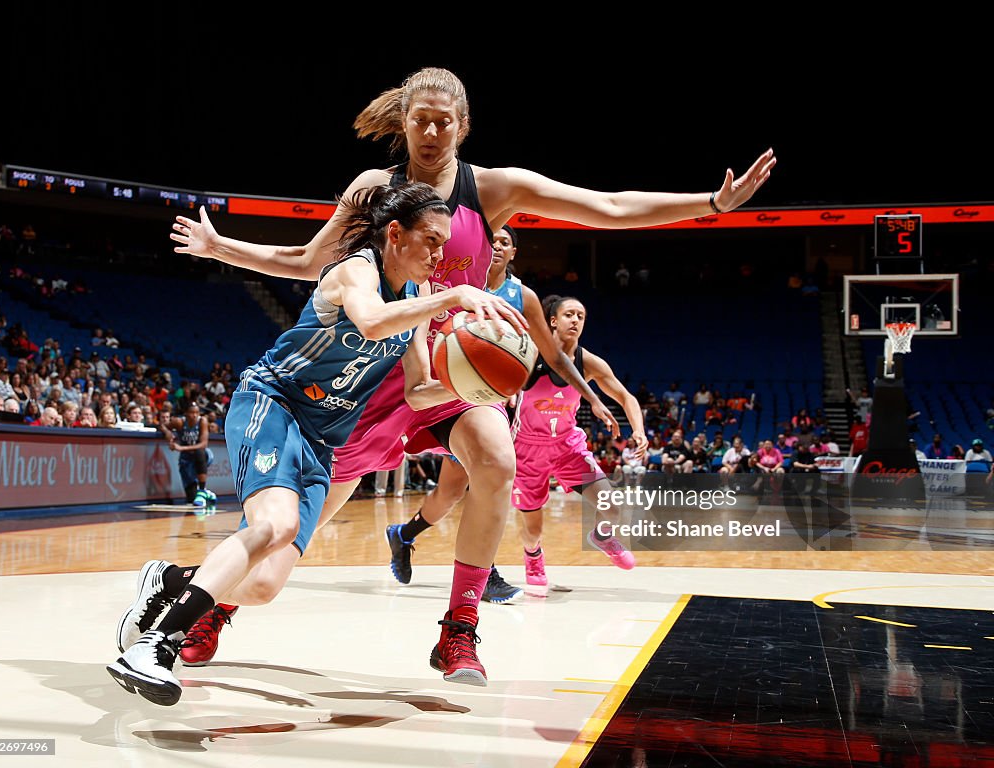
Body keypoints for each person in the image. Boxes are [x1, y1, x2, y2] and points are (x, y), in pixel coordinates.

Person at [167, 67, 775, 679]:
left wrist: (713, 204)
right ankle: (214, 606)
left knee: (496, 462)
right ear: (403, 123)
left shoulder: (493, 189)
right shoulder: (376, 188)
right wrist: (221, 248)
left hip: (455, 373)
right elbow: (307, 260)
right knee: (295, 535)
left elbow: (608, 207)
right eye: (419, 120)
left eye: (443, 121)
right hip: (375, 374)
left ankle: (459, 629)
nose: (430, 132)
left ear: (463, 125)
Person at [109, 182, 525, 705]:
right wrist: (457, 295)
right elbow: (371, 322)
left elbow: (418, 393)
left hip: (320, 439)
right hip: (274, 402)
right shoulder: (356, 269)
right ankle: (154, 645)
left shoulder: (417, 297)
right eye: (431, 241)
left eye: (445, 245)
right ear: (395, 234)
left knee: (261, 587)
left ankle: (168, 580)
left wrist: (476, 384)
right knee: (274, 526)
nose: (442, 255)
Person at [379, 225, 619, 602]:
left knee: (481, 478)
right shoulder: (455, 280)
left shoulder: (521, 296)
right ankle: (405, 535)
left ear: (513, 253)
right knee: (449, 492)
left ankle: (473, 570)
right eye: (491, 241)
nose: (496, 247)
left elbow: (554, 356)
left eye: (505, 243)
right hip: (444, 387)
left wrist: (591, 398)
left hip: (486, 401)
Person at [510, 295, 644, 587]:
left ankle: (602, 536)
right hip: (527, 448)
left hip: (567, 446)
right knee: (533, 529)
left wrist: (639, 430)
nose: (575, 320)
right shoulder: (531, 354)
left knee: (612, 505)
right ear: (553, 321)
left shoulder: (589, 362)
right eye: (569, 314)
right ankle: (533, 557)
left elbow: (626, 397)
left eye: (581, 316)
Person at [159, 402, 216, 510]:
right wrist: (167, 432)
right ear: (185, 413)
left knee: (200, 452)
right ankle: (207, 494)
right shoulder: (179, 422)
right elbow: (162, 425)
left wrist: (181, 448)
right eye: (192, 412)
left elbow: (204, 444)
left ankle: (202, 489)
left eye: (197, 413)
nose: (194, 415)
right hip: (186, 458)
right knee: (191, 499)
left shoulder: (202, 421)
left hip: (203, 455)